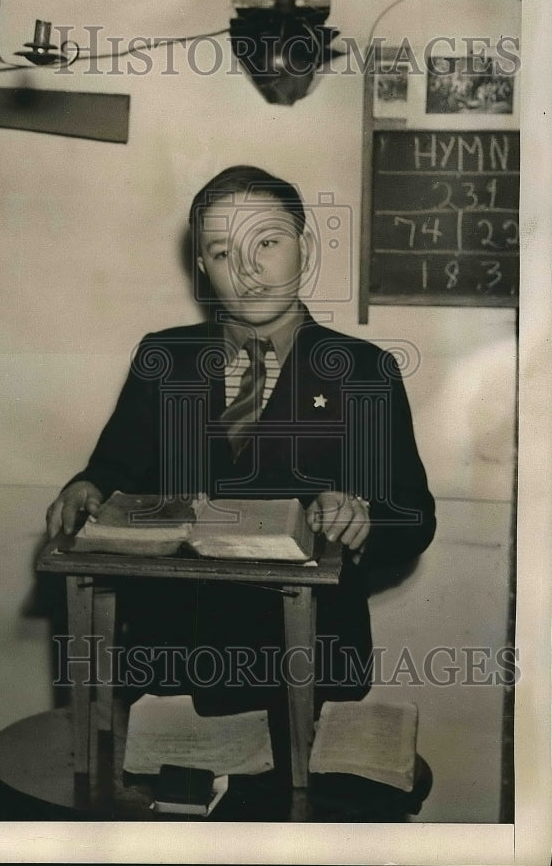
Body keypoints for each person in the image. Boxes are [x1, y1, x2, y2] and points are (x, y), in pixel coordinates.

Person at [45, 165, 436, 712]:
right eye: (224, 253)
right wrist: (85, 488)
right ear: (202, 266)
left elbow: (413, 515)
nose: (249, 271)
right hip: (171, 662)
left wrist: (362, 518)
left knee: (293, 798)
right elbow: (114, 469)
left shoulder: (363, 369)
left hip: (307, 665)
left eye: (268, 243)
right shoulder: (164, 357)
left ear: (304, 246)